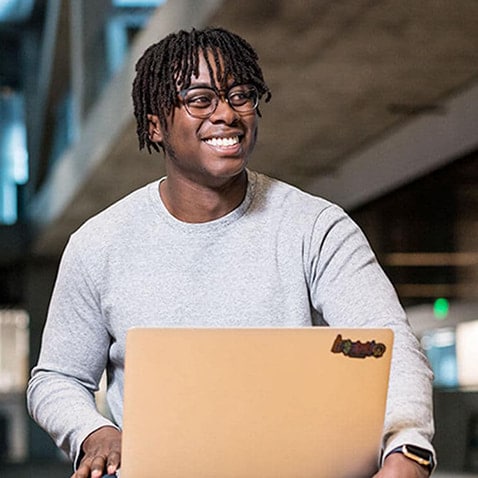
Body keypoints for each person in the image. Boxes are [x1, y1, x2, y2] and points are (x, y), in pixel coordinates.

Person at [27, 27, 435, 478]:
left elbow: (389, 347)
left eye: (240, 96)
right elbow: (57, 379)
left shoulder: (317, 228)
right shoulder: (99, 243)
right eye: (200, 99)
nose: (227, 113)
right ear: (155, 125)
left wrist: (408, 450)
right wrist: (93, 433)